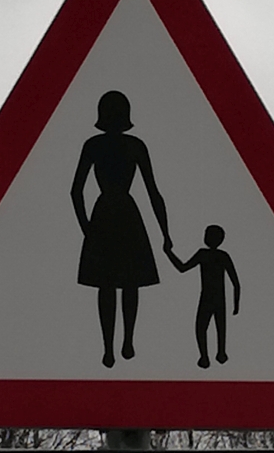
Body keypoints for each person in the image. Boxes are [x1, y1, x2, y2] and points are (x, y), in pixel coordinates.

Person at [71, 91, 172, 368]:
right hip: (121, 215)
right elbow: (153, 192)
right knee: (123, 283)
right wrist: (165, 234)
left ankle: (119, 345)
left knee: (118, 283)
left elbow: (76, 192)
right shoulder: (129, 145)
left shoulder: (98, 145)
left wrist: (87, 228)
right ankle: (117, 345)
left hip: (107, 216)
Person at [165, 225, 240, 368]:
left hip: (209, 297)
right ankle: (215, 354)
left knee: (205, 327)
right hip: (216, 298)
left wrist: (168, 252)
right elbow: (236, 283)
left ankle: (211, 355)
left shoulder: (206, 254)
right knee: (216, 327)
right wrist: (236, 304)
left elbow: (182, 267)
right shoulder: (218, 255)